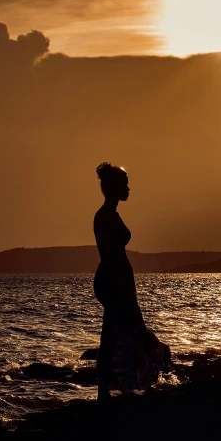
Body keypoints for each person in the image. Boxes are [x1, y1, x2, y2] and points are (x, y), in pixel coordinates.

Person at [93, 162, 166, 401]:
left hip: (118, 282)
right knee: (123, 335)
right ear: (114, 187)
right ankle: (113, 390)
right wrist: (122, 290)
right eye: (124, 184)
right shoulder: (104, 216)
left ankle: (123, 387)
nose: (128, 188)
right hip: (114, 282)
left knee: (121, 336)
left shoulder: (111, 214)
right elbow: (111, 256)